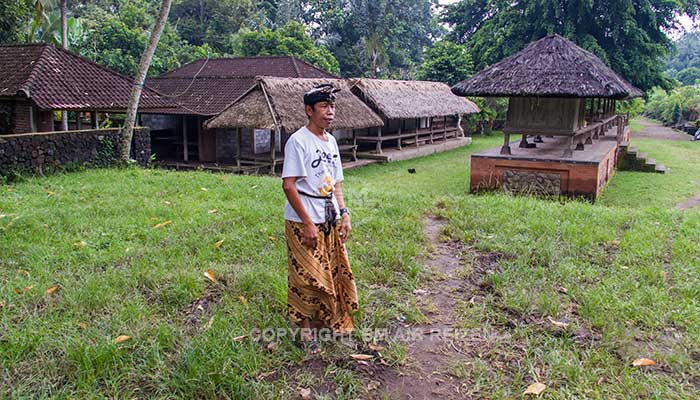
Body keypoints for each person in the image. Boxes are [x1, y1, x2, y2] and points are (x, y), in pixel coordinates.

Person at [281, 84, 359, 355]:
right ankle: (303, 329)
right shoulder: (298, 141)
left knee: (332, 269)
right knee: (305, 274)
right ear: (309, 110)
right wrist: (308, 223)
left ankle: (327, 318)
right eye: (324, 107)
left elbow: (336, 183)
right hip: (304, 219)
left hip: (329, 217)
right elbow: (289, 185)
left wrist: (344, 213)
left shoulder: (331, 141)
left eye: (332, 106)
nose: (330, 112)